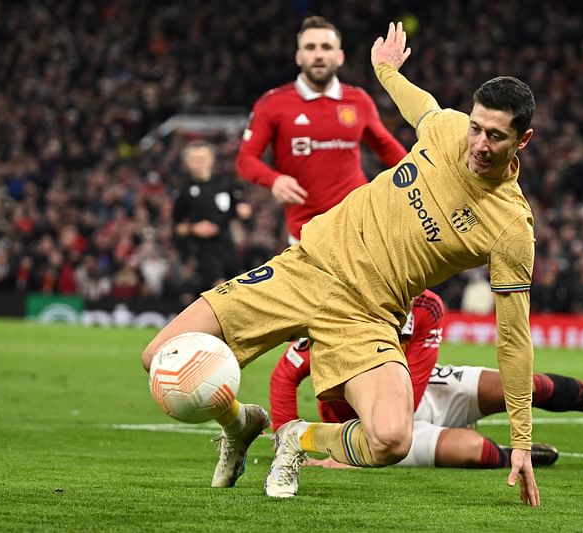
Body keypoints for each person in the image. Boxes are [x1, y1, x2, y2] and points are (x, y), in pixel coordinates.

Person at [141, 21, 540, 505]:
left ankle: (295, 437)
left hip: (368, 315)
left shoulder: (511, 228)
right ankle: (240, 423)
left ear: (523, 140)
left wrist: (520, 439)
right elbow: (421, 103)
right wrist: (386, 70)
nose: (478, 143)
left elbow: (514, 337)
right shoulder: (448, 129)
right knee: (159, 357)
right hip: (308, 267)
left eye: (495, 137)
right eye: (476, 127)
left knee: (393, 439)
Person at [269, 290, 583, 470]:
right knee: (473, 451)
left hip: (414, 395)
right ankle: (511, 455)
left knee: (521, 384)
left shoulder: (427, 307)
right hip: (368, 428)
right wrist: (291, 445)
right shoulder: (341, 315)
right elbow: (284, 376)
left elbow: (408, 396)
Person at [236, 16, 407, 242]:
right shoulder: (272, 103)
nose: (318, 54)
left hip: (360, 225)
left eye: (326, 47)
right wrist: (274, 180)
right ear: (299, 56)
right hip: (306, 233)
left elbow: (388, 149)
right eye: (310, 47)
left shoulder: (358, 100)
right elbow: (246, 160)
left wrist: (419, 179)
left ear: (339, 56)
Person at [172, 140, 252, 290]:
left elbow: (240, 208)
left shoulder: (225, 183)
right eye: (194, 159)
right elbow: (176, 227)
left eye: (202, 158)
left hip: (228, 244)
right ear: (187, 163)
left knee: (238, 287)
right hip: (203, 249)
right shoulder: (183, 191)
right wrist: (194, 228)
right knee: (219, 288)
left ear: (211, 160)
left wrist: (243, 211)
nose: (199, 163)